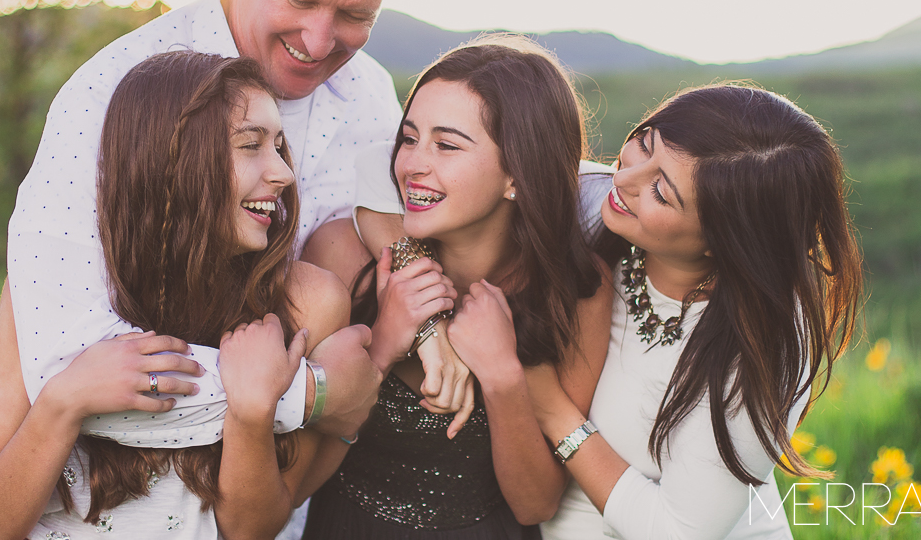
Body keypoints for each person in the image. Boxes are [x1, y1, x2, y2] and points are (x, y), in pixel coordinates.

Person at [5, 0, 414, 465]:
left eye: (356, 15)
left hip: (287, 509)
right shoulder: (112, 89)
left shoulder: (371, 95)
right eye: (300, 0)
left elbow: (396, 237)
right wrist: (310, 394)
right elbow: (68, 359)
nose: (319, 40)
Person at [0, 52, 353, 539]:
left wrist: (253, 411)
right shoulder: (61, 290)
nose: (283, 173)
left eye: (279, 146)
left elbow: (250, 531)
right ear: (171, 159)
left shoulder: (304, 302)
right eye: (250, 145)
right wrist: (64, 401)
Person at [301, 37, 615, 539]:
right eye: (408, 138)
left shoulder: (577, 289)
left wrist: (504, 377)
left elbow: (536, 504)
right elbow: (294, 461)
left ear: (518, 173)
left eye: (446, 145)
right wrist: (401, 331)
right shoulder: (343, 255)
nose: (413, 165)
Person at [530, 84, 863, 540]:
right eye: (644, 145)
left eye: (661, 192)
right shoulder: (590, 204)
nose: (623, 179)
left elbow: (676, 532)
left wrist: (550, 408)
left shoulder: (767, 336)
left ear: (723, 240)